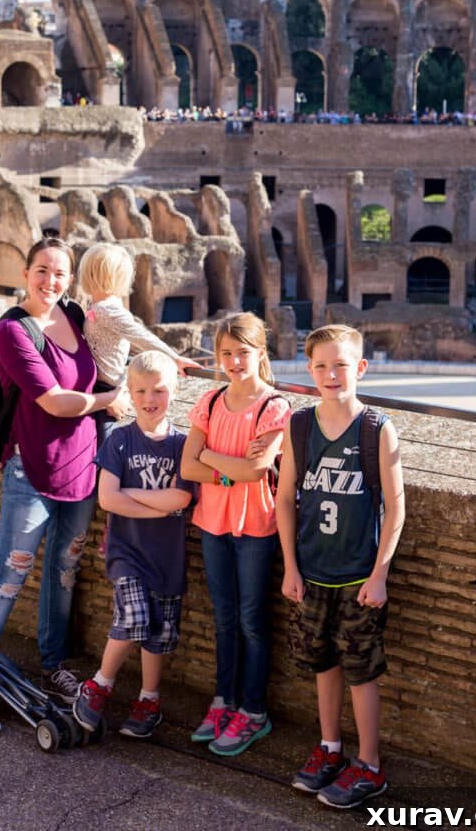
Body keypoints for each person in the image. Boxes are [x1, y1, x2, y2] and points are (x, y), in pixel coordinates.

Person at [0, 236, 127, 735]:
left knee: (64, 570)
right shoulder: (12, 332)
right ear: (26, 273)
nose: (51, 281)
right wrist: (110, 400)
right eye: (42, 271)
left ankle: (53, 665)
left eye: (60, 273)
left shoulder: (75, 316)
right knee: (9, 577)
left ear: (70, 279)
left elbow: (112, 352)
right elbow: (54, 401)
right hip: (30, 470)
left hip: (82, 469)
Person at [275, 324, 405, 809]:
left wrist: (380, 575)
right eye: (322, 366)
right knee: (322, 663)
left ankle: (370, 764)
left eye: (341, 365)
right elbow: (284, 499)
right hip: (311, 573)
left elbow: (396, 507)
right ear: (310, 370)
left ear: (361, 368)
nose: (332, 374)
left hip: (358, 578)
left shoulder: (376, 429)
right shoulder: (299, 426)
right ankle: (330, 748)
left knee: (360, 671)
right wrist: (290, 567)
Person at [181, 312, 290, 756]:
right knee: (224, 617)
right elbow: (187, 467)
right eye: (226, 353)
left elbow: (256, 470)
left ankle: (254, 710)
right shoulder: (210, 401)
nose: (234, 361)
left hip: (255, 525)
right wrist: (229, 468)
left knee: (251, 619)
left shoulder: (273, 406)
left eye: (243, 352)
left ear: (260, 352)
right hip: (213, 522)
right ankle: (223, 700)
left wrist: (208, 454)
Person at [72, 351, 195, 738]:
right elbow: (108, 500)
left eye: (159, 390)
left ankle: (148, 700)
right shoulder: (120, 439)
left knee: (158, 633)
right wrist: (160, 506)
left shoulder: (183, 445)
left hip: (168, 557)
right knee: (134, 618)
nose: (149, 398)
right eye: (140, 391)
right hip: (127, 552)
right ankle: (99, 685)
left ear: (174, 390)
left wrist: (134, 495)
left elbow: (181, 498)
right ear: (130, 391)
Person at [78, 242, 196, 444]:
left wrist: (174, 359)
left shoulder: (107, 309)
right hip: (99, 384)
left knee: (105, 447)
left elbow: (141, 336)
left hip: (106, 386)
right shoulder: (99, 305)